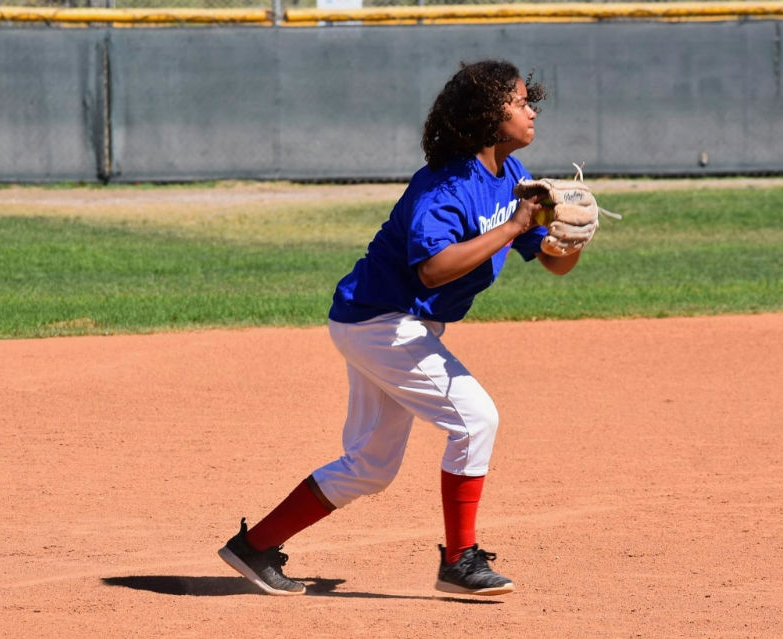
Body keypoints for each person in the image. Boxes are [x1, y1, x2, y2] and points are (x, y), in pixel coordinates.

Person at [219, 59, 580, 596]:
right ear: (487, 115)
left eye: (531, 101)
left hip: (397, 325)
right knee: (476, 419)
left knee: (370, 467)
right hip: (380, 321)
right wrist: (514, 225)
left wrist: (567, 240)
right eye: (519, 101)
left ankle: (254, 547)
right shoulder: (445, 185)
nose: (531, 111)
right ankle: (459, 561)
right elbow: (432, 268)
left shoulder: (509, 181)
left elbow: (550, 261)